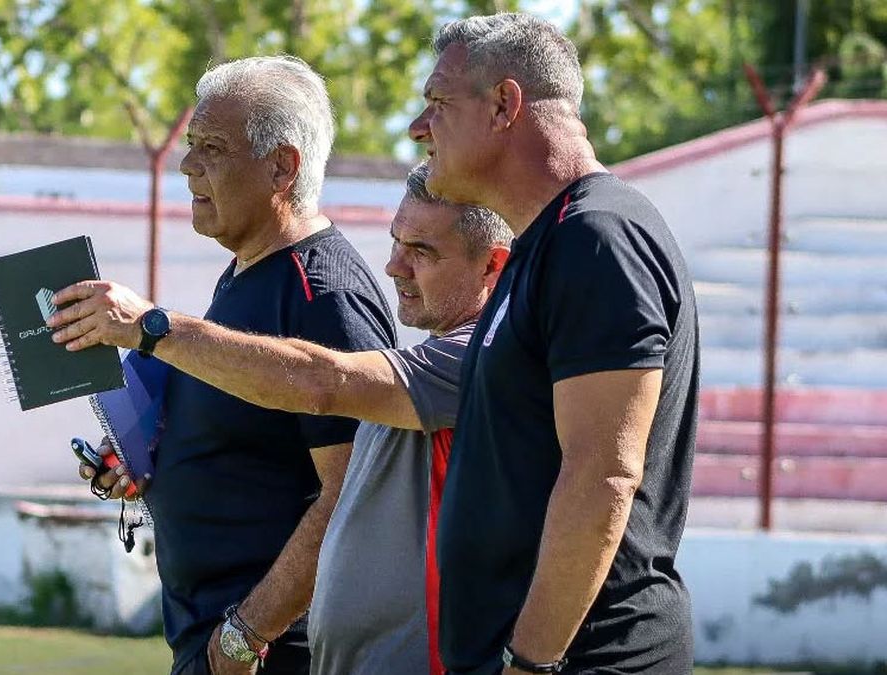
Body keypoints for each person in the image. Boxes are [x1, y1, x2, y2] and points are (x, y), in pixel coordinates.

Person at [49, 163, 511, 675]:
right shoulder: (435, 356)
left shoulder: (482, 357)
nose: (394, 266)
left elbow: (324, 384)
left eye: (421, 251)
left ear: (493, 265)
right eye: (396, 241)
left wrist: (153, 328)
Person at [51, 56, 397, 675]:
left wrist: (249, 631)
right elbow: (244, 444)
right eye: (189, 146)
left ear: (282, 167)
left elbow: (355, 497)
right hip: (212, 639)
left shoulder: (325, 295)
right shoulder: (244, 274)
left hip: (274, 651)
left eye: (213, 148)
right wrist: (146, 467)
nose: (188, 167)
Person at [408, 13, 700, 674]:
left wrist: (531, 662)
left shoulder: (598, 238)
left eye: (436, 103)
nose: (417, 127)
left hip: (581, 659)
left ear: (505, 104)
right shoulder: (552, 240)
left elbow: (604, 474)